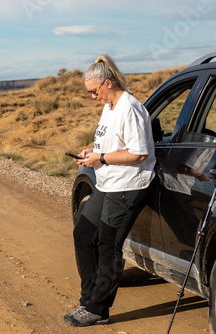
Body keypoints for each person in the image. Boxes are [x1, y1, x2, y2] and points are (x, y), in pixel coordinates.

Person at [64, 54, 156, 327]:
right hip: (107, 183)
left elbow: (139, 154)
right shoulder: (109, 107)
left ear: (107, 82)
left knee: (108, 245)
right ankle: (88, 299)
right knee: (83, 234)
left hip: (128, 186)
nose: (93, 96)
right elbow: (108, 141)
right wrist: (93, 150)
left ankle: (97, 309)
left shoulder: (131, 108)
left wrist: (101, 159)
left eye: (94, 91)